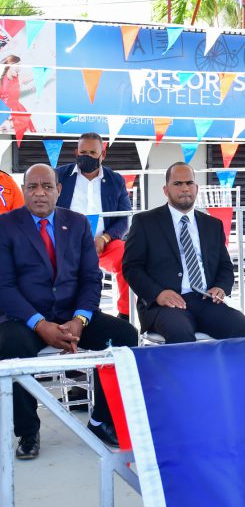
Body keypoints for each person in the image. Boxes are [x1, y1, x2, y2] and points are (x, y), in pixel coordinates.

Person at [0, 164, 138, 459]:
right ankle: (27, 431)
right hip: (26, 318)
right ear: (23, 190)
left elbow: (91, 278)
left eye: (47, 186)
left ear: (58, 190)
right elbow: (5, 286)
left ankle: (101, 421)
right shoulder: (6, 225)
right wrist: (40, 324)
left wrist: (80, 319)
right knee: (10, 345)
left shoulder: (77, 223)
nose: (40, 193)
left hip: (72, 314)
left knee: (125, 336)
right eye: (32, 187)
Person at [123, 162, 245, 343]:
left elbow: (225, 265)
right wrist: (158, 294)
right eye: (177, 183)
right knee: (180, 333)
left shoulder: (212, 225)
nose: (185, 188)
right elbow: (132, 268)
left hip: (206, 300)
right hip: (165, 304)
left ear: (196, 188)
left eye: (189, 183)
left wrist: (221, 287)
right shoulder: (145, 222)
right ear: (165, 190)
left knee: (244, 328)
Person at [56, 132, 131, 319]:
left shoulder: (116, 180)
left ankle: (125, 313)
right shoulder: (59, 176)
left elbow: (124, 218)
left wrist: (104, 238)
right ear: (76, 152)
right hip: (65, 243)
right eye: (83, 152)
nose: (87, 156)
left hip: (103, 243)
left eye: (92, 152)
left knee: (128, 256)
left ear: (102, 154)